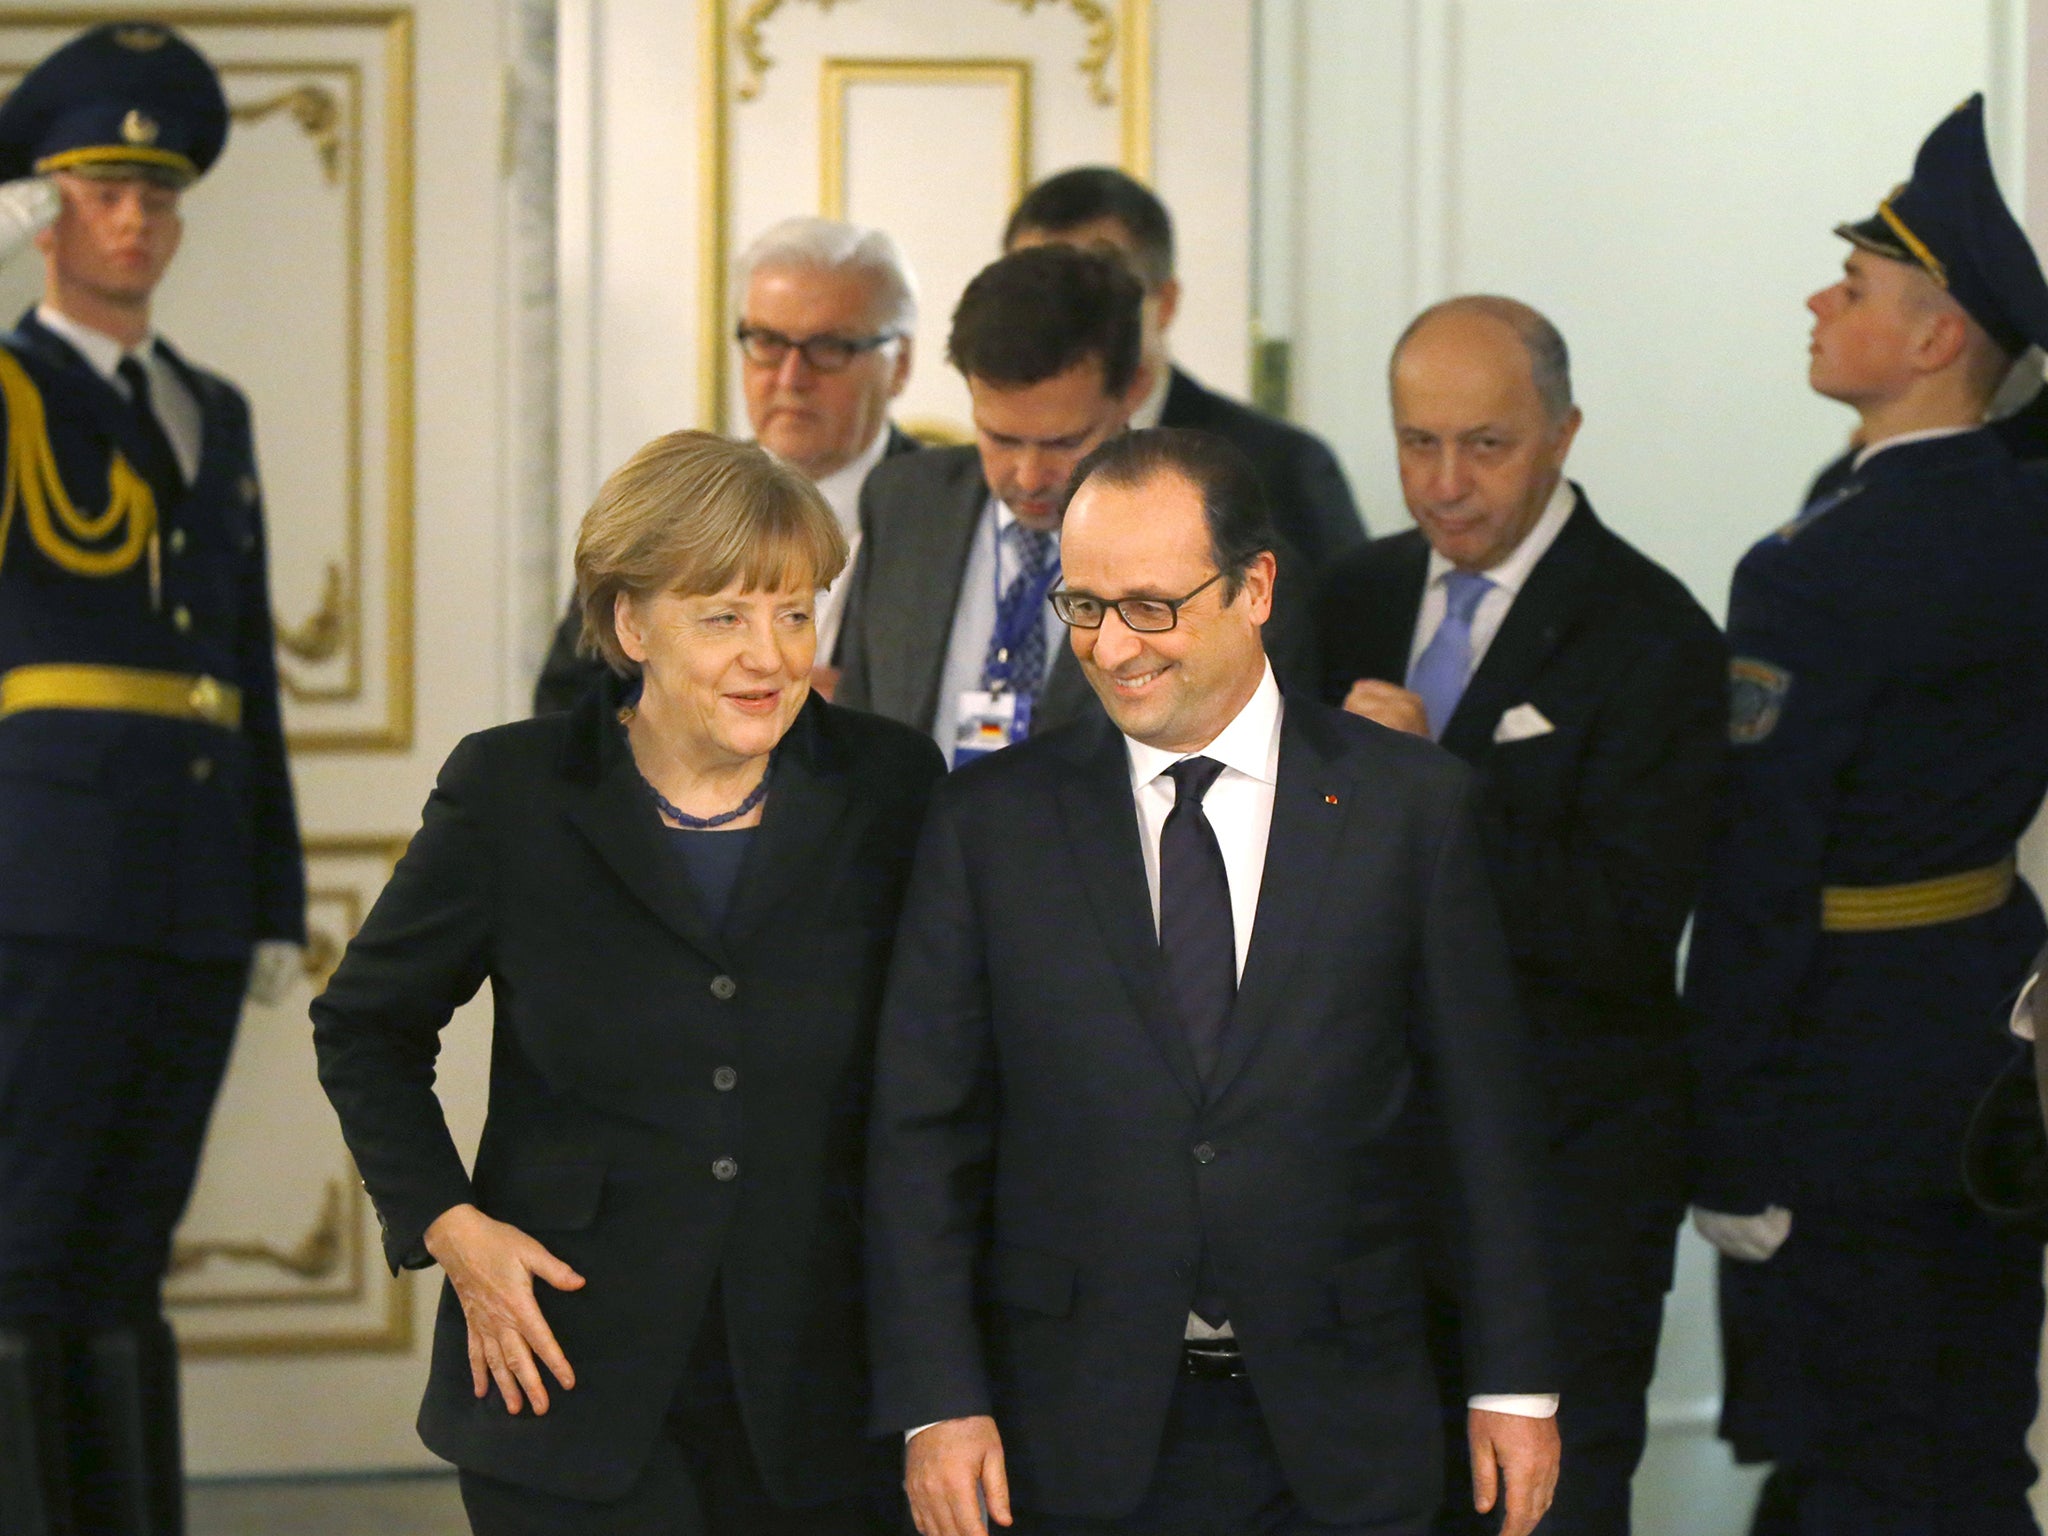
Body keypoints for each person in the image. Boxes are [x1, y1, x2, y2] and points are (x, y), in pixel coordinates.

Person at [864, 426, 1558, 1536]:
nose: (1110, 646)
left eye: (1150, 605)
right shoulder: (988, 824)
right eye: (1082, 606)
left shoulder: (1409, 811)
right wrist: (936, 1403)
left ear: (1255, 589)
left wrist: (1512, 1382)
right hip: (1068, 1427)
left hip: (1344, 1421)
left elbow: (1484, 1118)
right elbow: (921, 1135)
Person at [313, 431, 945, 1532]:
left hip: (822, 1389)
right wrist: (449, 1224)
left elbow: (946, 1073)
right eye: (724, 616)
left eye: (794, 612)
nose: (770, 655)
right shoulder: (511, 790)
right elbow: (366, 1025)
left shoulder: (889, 789)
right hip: (561, 1374)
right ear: (629, 625)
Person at [1685, 94, 2048, 1535]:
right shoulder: (2022, 518)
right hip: (1981, 1028)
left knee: (1846, 1463)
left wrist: (1728, 1138)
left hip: (1838, 1070)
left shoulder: (1817, 566)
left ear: (1935, 338)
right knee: (1970, 1443)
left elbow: (1765, 870)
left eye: (1857, 287)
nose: (1820, 302)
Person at [1314, 296, 1726, 1535]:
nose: (1442, 483)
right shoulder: (1347, 597)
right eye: (1413, 442)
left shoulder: (1652, 635)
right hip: (1369, 1173)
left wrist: (1437, 786)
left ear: (1562, 434)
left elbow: (1619, 926)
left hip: (1565, 1177)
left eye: (1483, 445)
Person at [0, 24, 306, 1531]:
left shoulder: (214, 412)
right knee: (23, 1239)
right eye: (104, 190)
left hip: (187, 885)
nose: (135, 220)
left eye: (158, 193)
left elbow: (243, 666)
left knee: (131, 1244)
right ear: (42, 209)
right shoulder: (2, 395)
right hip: (39, 883)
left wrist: (268, 889)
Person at [835, 246, 1316, 765]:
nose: (1029, 476)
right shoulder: (903, 501)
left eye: (1064, 443)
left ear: (1132, 390)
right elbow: (863, 729)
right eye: (999, 438)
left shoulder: (1223, 555)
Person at [533, 216, 921, 713]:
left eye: (828, 348)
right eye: (767, 343)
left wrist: (854, 708)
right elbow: (568, 706)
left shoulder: (947, 514)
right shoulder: (672, 504)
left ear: (901, 364)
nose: (790, 377)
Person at [1003, 166, 1365, 571]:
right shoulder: (961, 481)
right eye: (1033, 296)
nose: (1061, 319)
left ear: (1166, 302)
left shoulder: (1282, 472)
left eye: (1096, 295)